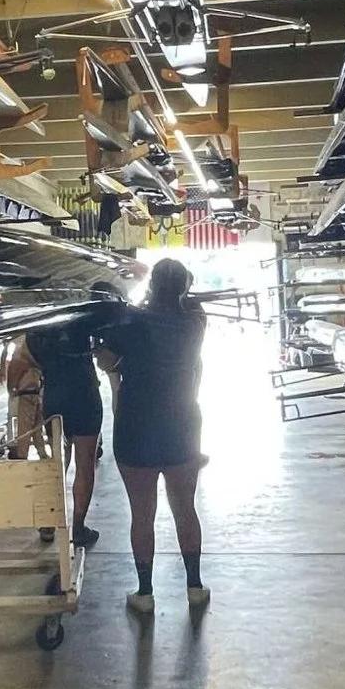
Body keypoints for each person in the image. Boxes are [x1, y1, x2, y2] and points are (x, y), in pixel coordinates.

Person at [101, 258, 209, 614]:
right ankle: (194, 586)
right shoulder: (195, 322)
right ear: (184, 287)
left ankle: (145, 592)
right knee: (185, 508)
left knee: (142, 513)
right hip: (181, 425)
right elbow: (188, 306)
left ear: (151, 286)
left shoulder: (131, 321)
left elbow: (105, 359)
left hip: (137, 424)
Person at [12, 285, 115, 548]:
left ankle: (48, 523)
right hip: (85, 395)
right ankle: (78, 527)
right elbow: (106, 351)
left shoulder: (37, 331)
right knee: (85, 462)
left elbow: (21, 360)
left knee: (57, 460)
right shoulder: (84, 321)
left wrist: (18, 389)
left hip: (55, 397)